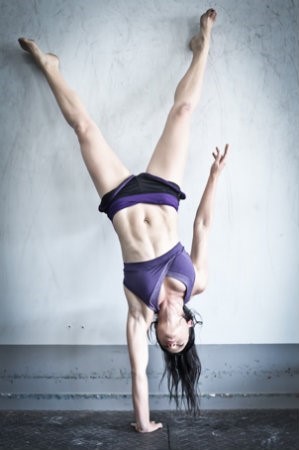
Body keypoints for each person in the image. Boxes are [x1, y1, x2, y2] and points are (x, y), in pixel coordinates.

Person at [18, 8, 228, 433]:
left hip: (120, 200)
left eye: (167, 348)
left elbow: (136, 374)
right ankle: (203, 44)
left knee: (84, 128)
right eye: (180, 343)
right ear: (188, 324)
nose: (172, 344)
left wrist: (144, 422)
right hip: (163, 192)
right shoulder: (196, 282)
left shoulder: (139, 313)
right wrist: (213, 177)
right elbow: (202, 226)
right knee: (183, 111)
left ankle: (49, 66)